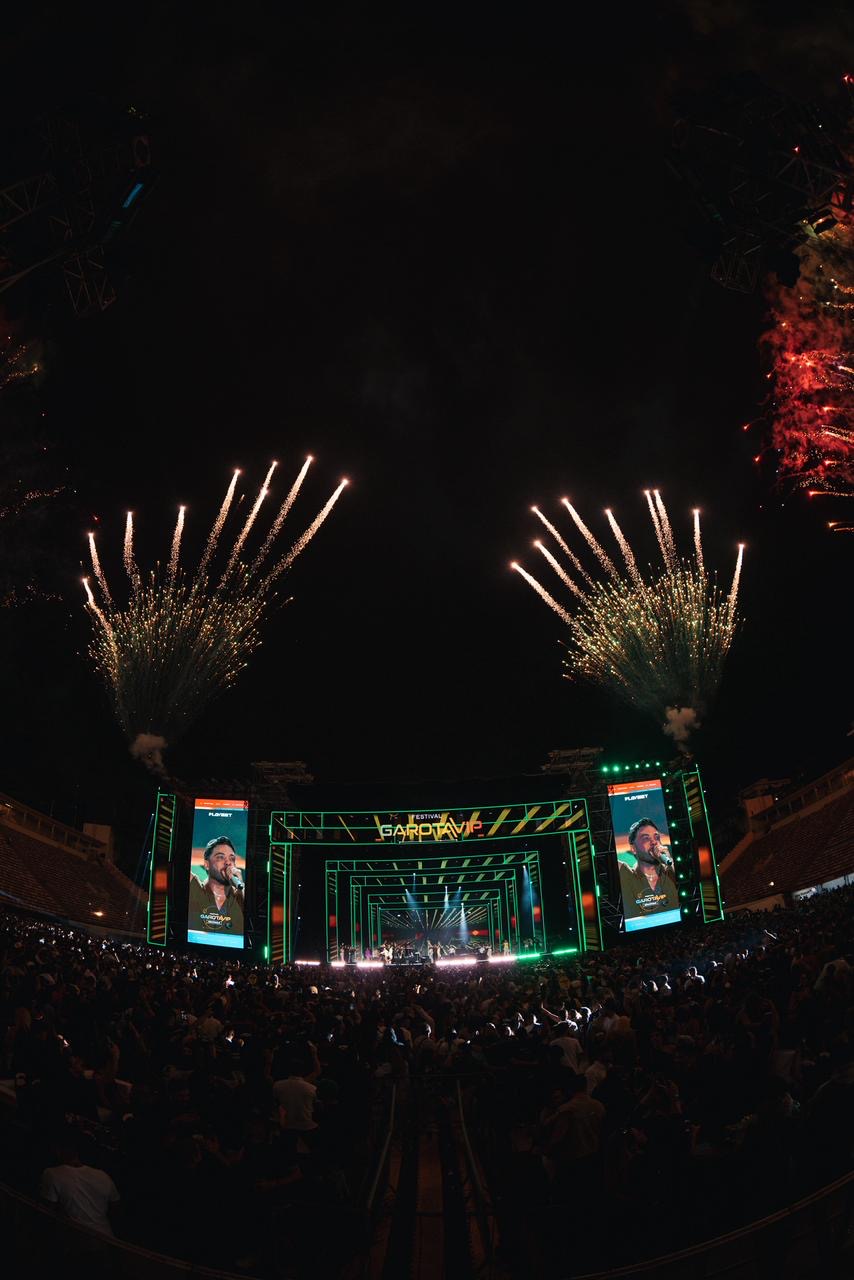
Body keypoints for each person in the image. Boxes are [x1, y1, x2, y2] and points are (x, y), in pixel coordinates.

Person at [39, 1128, 120, 1237]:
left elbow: (47, 1211)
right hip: (106, 1238)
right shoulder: (103, 1176)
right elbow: (115, 1207)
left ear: (57, 1150)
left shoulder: (53, 1174)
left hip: (77, 1241)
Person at [618, 818, 679, 923]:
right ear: (633, 848)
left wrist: (669, 860)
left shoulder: (670, 872)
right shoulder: (626, 875)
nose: (654, 842)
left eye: (657, 837)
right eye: (646, 838)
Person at [188, 836, 245, 939]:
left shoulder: (239, 896)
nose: (228, 863)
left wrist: (240, 885)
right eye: (220, 857)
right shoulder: (195, 889)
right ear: (206, 864)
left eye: (232, 858)